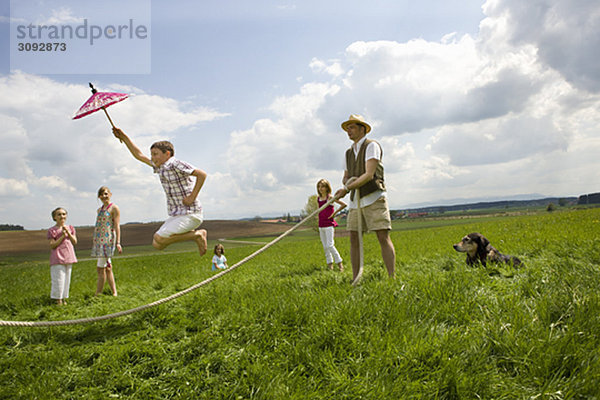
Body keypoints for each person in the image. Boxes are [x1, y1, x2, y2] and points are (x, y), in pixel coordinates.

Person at [112, 127, 208, 256]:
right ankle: (195, 235)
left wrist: (192, 197)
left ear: (167, 154)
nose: (153, 157)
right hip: (177, 214)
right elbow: (139, 155)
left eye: (155, 154)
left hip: (191, 213)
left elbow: (202, 174)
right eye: (151, 154)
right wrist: (124, 137)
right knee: (157, 244)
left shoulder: (176, 164)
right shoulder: (161, 167)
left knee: (159, 238)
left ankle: (198, 235)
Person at [334, 114, 396, 282]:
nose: (349, 131)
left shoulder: (372, 146)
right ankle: (356, 278)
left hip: (374, 197)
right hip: (355, 201)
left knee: (382, 236)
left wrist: (347, 187)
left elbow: (369, 175)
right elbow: (346, 176)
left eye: (352, 127)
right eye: (347, 128)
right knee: (353, 237)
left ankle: (392, 278)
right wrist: (345, 186)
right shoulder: (348, 153)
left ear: (362, 129)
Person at [91, 186, 121, 296]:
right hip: (99, 240)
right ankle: (114, 292)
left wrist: (118, 242)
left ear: (110, 194)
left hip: (108, 240)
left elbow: (117, 226)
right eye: (102, 194)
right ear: (99, 197)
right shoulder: (99, 210)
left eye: (106, 193)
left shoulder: (114, 208)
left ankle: (98, 294)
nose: (104, 196)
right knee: (108, 268)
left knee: (100, 268)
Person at [47, 207, 78, 305]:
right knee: (58, 279)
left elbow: (74, 241)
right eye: (59, 214)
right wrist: (63, 236)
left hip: (68, 257)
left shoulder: (71, 228)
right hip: (58, 258)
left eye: (64, 214)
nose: (62, 216)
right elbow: (52, 245)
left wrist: (68, 232)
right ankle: (58, 300)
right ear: (54, 217)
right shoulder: (52, 230)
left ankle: (64, 299)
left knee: (67, 280)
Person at [316, 178, 346, 271]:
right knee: (325, 246)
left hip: (329, 224)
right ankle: (330, 265)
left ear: (327, 187)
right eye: (319, 186)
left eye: (323, 186)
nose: (321, 188)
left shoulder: (330, 198)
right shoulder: (319, 199)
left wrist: (334, 213)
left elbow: (343, 205)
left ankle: (340, 264)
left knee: (330, 245)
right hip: (321, 225)